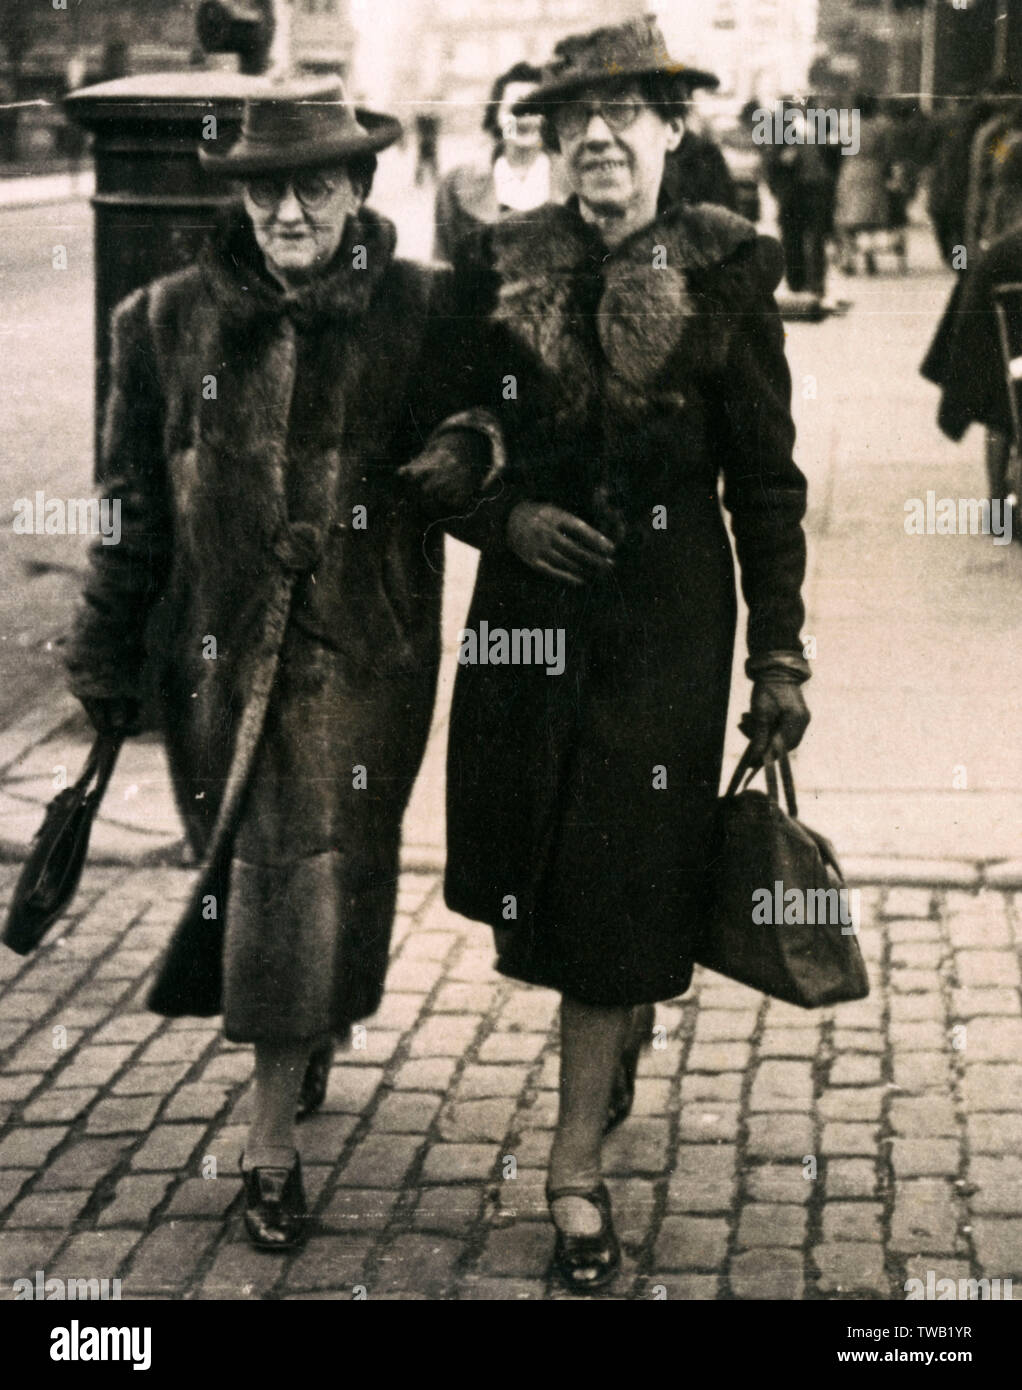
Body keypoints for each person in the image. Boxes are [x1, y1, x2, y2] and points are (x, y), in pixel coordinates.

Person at [64, 79, 500, 1253]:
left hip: (366, 646)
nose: (288, 211)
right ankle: (301, 1038)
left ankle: (267, 1138)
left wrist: (467, 448)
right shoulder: (160, 323)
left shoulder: (427, 310)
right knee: (275, 864)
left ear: (359, 189)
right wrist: (106, 647)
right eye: (266, 189)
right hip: (217, 651)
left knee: (306, 860)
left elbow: (495, 419)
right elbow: (131, 510)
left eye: (314, 185)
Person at [436, 17, 810, 1292]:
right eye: (571, 120)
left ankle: (571, 1170)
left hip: (663, 632)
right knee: (533, 873)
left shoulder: (727, 271)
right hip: (527, 628)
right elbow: (435, 440)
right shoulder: (495, 270)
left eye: (625, 115)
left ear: (666, 131)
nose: (597, 136)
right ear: (545, 140)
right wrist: (503, 515)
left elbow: (764, 480)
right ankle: (616, 1033)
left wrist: (781, 658)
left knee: (612, 876)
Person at [433, 61, 558, 264]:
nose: (525, 120)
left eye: (535, 109)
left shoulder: (574, 183)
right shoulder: (455, 186)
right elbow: (441, 269)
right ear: (497, 117)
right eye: (514, 111)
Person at [834, 92, 893, 275]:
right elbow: (887, 152)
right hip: (873, 171)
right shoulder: (881, 126)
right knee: (869, 219)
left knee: (846, 219)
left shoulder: (846, 123)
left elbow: (836, 149)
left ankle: (848, 258)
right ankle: (869, 257)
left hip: (851, 170)